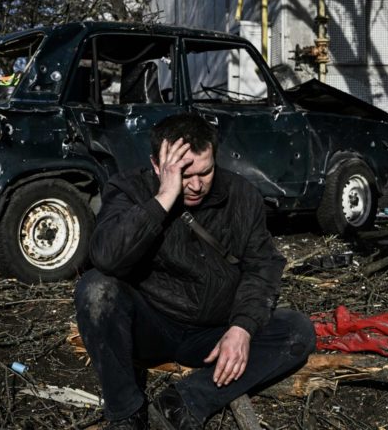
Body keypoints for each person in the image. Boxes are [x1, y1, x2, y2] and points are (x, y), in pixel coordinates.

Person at [73, 113, 315, 429]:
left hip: (214, 334)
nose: (197, 185)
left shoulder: (241, 195)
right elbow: (106, 258)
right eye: (184, 175)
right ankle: (126, 415)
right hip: (150, 327)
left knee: (297, 330)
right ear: (157, 165)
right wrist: (163, 198)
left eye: (206, 171)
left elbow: (262, 266)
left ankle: (184, 402)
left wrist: (242, 327)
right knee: (96, 289)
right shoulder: (129, 188)